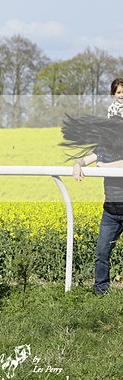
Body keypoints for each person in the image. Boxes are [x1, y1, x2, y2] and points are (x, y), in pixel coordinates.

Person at [72, 124, 123, 295]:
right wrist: (77, 164)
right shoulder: (103, 150)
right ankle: (100, 291)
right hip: (110, 211)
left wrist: (105, 167)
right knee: (101, 252)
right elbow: (85, 159)